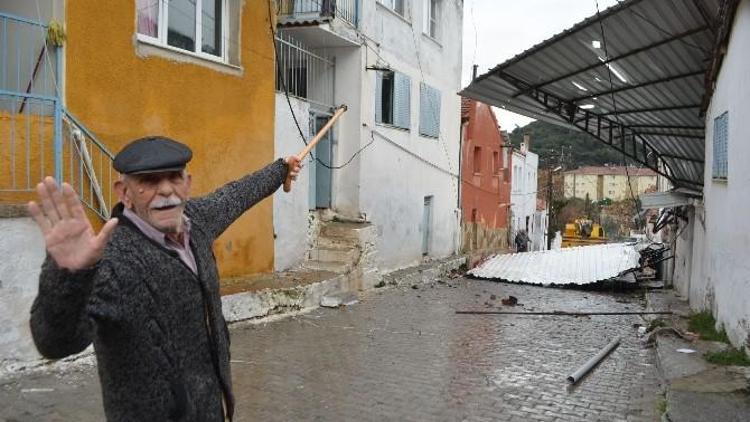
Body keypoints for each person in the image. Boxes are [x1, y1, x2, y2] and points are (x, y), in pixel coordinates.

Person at [28, 136, 301, 421]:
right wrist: (70, 277)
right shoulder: (112, 260)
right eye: (149, 181)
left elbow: (236, 195)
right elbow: (54, 343)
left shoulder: (196, 221)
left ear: (188, 183)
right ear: (124, 193)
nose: (166, 190)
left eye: (174, 177)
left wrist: (280, 168)